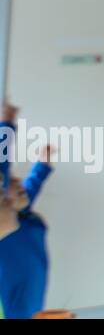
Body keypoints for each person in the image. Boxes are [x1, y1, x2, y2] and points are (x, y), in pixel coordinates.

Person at [0, 104, 54, 319]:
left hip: (32, 299)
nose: (18, 183)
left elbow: (31, 185)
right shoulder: (9, 217)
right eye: (6, 189)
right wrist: (6, 125)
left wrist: (43, 164)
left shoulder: (19, 212)